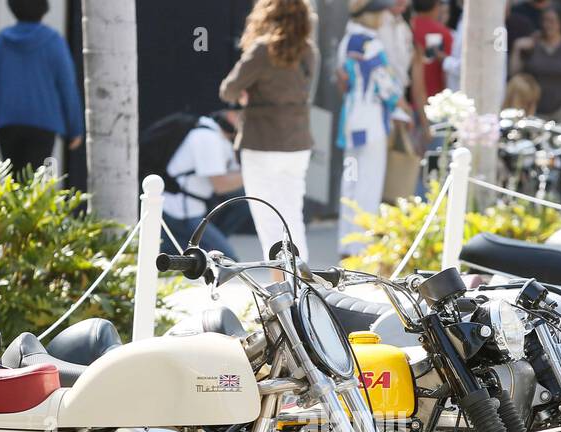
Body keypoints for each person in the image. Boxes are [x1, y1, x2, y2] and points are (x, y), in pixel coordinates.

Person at [219, 0, 318, 261]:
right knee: (291, 216)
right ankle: (301, 287)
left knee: (269, 222)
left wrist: (244, 94)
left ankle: (282, 290)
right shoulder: (308, 51)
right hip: (297, 143)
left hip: (261, 142)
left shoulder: (262, 50)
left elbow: (228, 88)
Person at [0, 0, 83, 177]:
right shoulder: (54, 41)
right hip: (44, 125)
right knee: (35, 186)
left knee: (13, 184)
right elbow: (67, 87)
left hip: (8, 123)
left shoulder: (3, 41)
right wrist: (75, 128)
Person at [336, 0, 402, 253]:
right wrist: (399, 102)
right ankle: (361, 247)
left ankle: (347, 242)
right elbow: (387, 86)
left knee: (351, 181)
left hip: (352, 117)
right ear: (372, 14)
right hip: (371, 119)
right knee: (368, 182)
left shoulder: (347, 39)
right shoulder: (369, 43)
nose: (385, 15)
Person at [160, 111, 251, 257]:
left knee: (245, 201)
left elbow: (234, 175)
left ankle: (205, 246)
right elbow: (220, 185)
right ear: (230, 115)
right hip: (180, 213)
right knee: (227, 260)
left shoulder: (221, 138)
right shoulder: (207, 137)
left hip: (197, 209)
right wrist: (254, 172)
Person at [512, 7, 561, 125]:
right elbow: (514, 74)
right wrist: (517, 49)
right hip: (534, 106)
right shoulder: (533, 44)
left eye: (552, 21)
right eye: (545, 20)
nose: (547, 25)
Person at [411, 0, 453, 101]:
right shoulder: (444, 33)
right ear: (436, 6)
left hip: (409, 97)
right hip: (437, 98)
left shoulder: (408, 27)